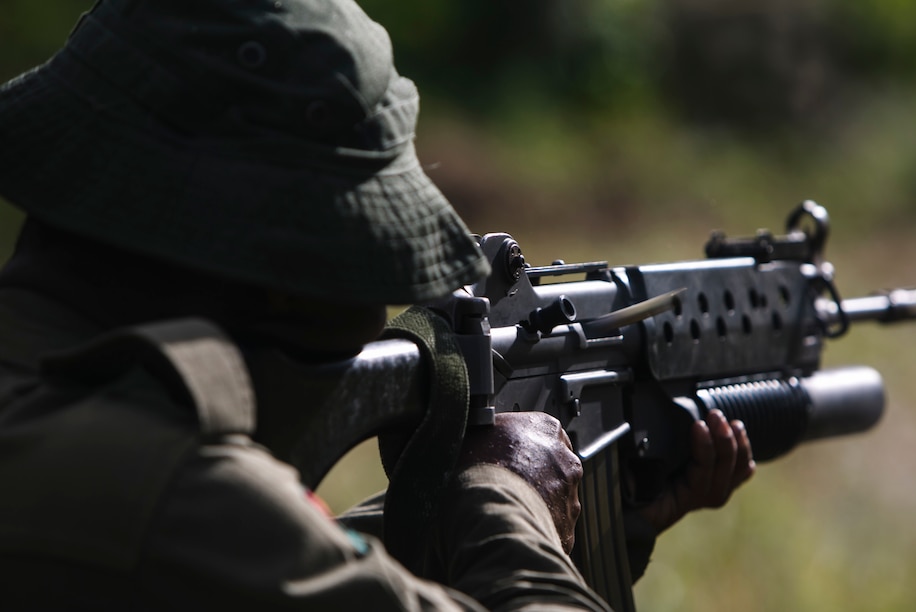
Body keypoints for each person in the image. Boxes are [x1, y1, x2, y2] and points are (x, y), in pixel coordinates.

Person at [0, 0, 755, 609]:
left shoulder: (82, 454)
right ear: (282, 279)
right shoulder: (167, 501)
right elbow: (225, 536)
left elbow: (289, 565)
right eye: (362, 280)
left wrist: (578, 524)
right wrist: (504, 502)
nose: (373, 311)